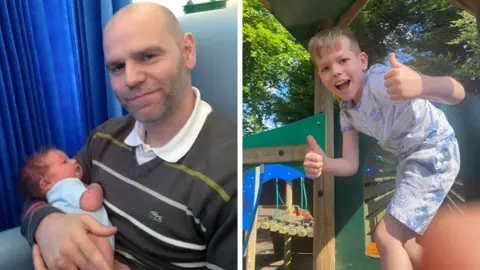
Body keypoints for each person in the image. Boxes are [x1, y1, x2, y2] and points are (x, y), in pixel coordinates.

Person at [20, 2, 237, 270]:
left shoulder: (230, 175)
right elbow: (44, 188)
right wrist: (46, 223)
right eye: (116, 67)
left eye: (147, 56)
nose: (130, 79)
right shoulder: (103, 139)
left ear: (187, 51)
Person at [303, 27, 464, 270]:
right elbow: (350, 164)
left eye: (343, 60)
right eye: (325, 68)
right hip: (409, 161)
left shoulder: (378, 81)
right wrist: (326, 164)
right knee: (405, 242)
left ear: (363, 61)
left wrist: (421, 84)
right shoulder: (347, 114)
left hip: (434, 149)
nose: (335, 71)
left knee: (387, 236)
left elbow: (458, 93)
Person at [18, 148, 125, 269]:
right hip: (90, 236)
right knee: (101, 255)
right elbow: (91, 202)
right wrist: (96, 187)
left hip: (70, 247)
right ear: (46, 184)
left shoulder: (53, 195)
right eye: (65, 162)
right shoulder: (66, 185)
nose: (74, 160)